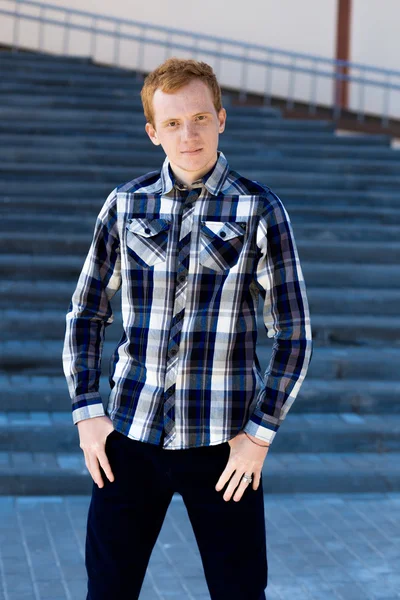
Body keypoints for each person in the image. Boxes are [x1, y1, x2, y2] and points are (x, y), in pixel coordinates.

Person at [62, 57, 313, 600]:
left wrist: (259, 436)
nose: (189, 133)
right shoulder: (125, 205)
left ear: (221, 118)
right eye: (173, 123)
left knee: (240, 593)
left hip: (225, 448)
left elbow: (293, 333)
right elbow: (86, 313)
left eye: (200, 117)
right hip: (129, 438)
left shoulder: (259, 208)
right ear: (153, 132)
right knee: (106, 590)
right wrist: (87, 414)